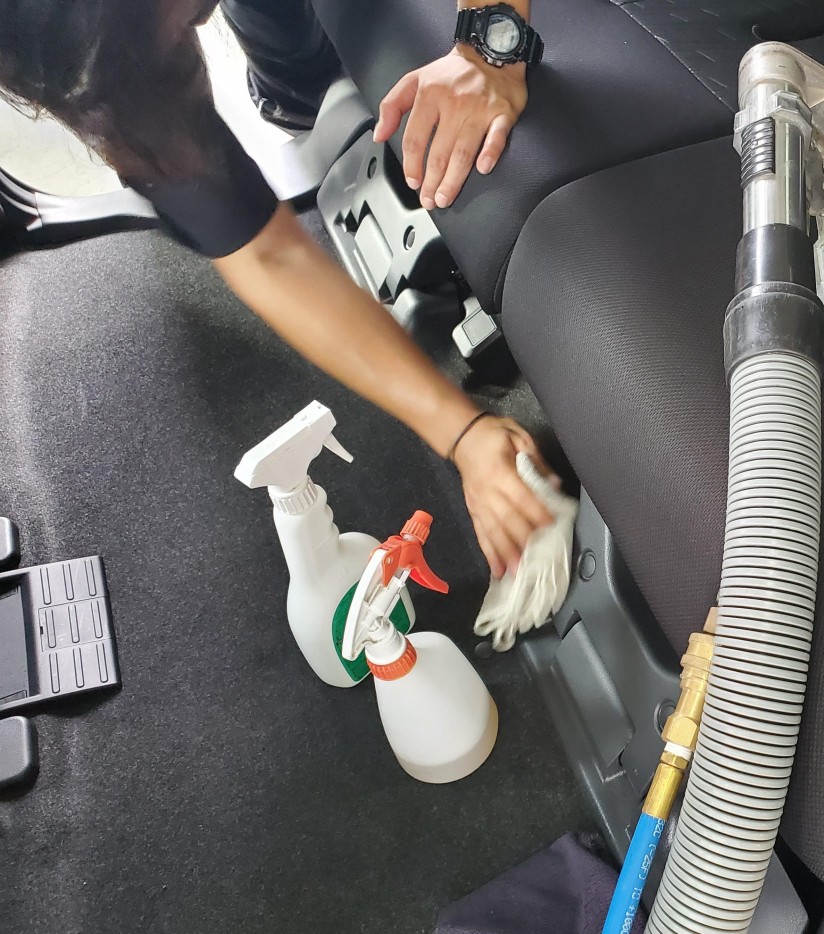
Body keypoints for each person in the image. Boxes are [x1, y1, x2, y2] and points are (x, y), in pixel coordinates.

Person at [0, 0, 547, 580]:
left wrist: (489, 47)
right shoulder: (103, 63)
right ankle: (296, 89)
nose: (193, 31)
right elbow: (267, 253)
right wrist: (461, 433)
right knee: (293, 63)